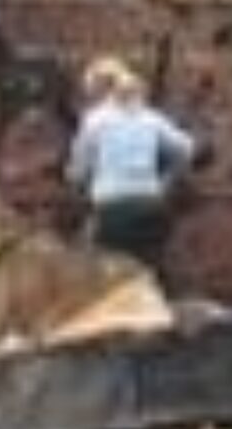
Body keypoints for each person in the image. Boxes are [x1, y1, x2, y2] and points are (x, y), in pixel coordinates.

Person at [65, 60, 195, 275]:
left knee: (90, 262)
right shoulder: (151, 117)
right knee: (153, 265)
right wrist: (167, 180)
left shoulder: (95, 121)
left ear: (99, 91)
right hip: (150, 205)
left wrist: (75, 180)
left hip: (112, 211)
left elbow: (78, 172)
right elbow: (186, 150)